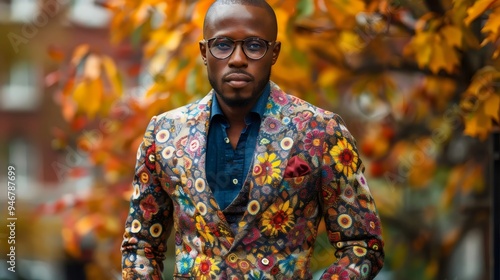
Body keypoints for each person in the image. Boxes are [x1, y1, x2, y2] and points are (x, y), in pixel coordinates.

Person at [121, 0, 385, 279]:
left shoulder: (321, 132)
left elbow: (362, 246)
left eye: (255, 45)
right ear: (204, 51)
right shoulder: (165, 134)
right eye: (222, 44)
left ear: (274, 53)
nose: (237, 59)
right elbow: (140, 248)